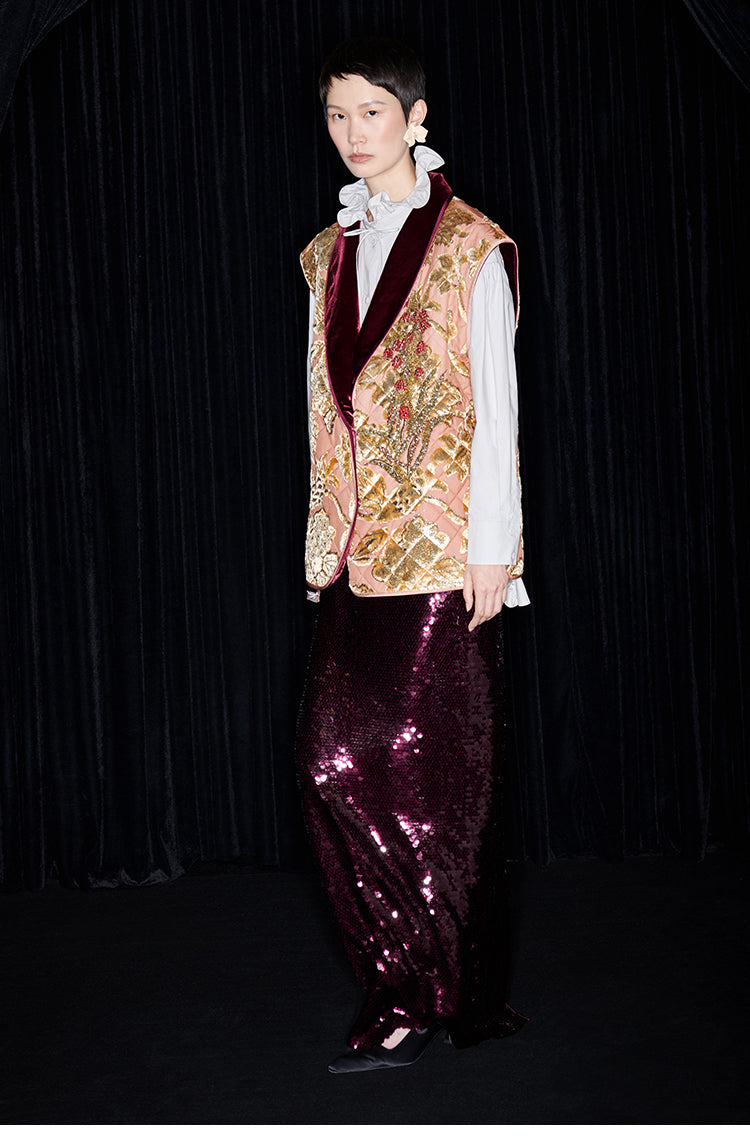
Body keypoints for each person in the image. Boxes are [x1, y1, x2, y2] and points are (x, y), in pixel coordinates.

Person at [296, 36, 529, 1074]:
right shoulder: (323, 254)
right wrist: (325, 532)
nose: (353, 134)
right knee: (331, 764)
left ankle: (426, 993)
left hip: (445, 550)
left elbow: (497, 409)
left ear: (416, 119)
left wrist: (495, 550)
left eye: (372, 113)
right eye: (337, 115)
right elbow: (324, 412)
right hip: (356, 551)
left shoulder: (472, 244)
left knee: (431, 779)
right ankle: (403, 976)